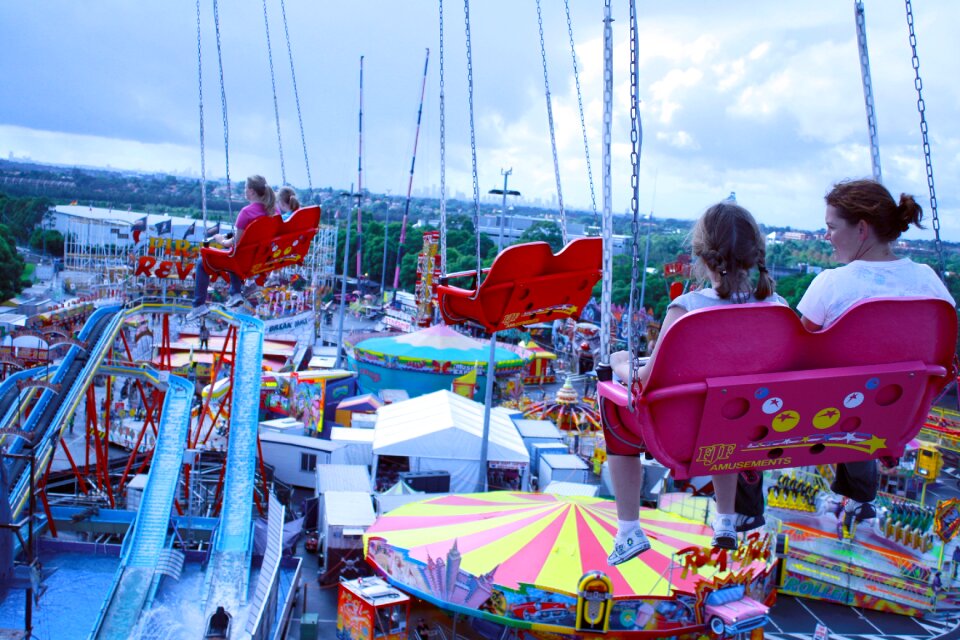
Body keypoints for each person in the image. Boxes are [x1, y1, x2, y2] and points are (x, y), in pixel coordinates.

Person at [736, 179, 955, 530]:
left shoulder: (834, 284)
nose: (826, 237)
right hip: (893, 412)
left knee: (752, 395)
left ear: (862, 229)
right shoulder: (930, 284)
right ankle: (860, 496)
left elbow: (795, 355)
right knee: (864, 400)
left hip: (823, 414)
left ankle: (744, 507)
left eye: (831, 227)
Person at [606, 200, 783, 564]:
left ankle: (628, 529)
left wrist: (621, 363)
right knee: (729, 406)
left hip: (681, 433)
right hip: (745, 426)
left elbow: (645, 380)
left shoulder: (687, 308)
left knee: (611, 402)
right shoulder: (776, 307)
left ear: (701, 255)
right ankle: (726, 519)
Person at [187, 175, 277, 320]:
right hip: (260, 257)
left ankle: (199, 305)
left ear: (252, 191)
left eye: (245, 188)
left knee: (202, 262)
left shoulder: (246, 213)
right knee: (236, 254)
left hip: (241, 259)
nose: (244, 191)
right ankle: (235, 292)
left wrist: (221, 239)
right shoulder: (274, 211)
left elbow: (234, 243)